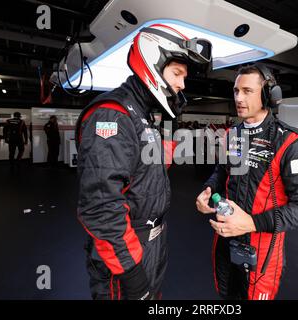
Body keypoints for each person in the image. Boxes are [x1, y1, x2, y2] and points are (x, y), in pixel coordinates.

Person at [75, 24, 212, 300]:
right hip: (127, 253)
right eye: (177, 73)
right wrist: (131, 272)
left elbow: (146, 166)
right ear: (152, 63)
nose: (182, 84)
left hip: (153, 242)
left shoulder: (142, 115)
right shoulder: (112, 115)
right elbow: (101, 207)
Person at [195, 63, 298, 300]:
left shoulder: (292, 143)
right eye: (236, 91)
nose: (239, 98)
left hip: (262, 247)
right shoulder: (234, 134)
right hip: (226, 237)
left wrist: (252, 223)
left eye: (247, 91)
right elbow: (222, 170)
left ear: (268, 95)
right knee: (226, 294)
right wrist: (209, 189)